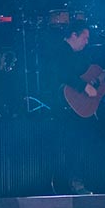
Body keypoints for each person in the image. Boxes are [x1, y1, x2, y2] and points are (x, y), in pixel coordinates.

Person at [42, 20, 95, 194]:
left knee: (75, 143)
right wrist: (84, 87)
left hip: (71, 106)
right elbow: (62, 75)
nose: (87, 42)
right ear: (74, 35)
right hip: (61, 106)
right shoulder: (59, 51)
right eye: (85, 37)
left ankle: (74, 181)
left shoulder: (75, 55)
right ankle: (69, 183)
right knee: (69, 144)